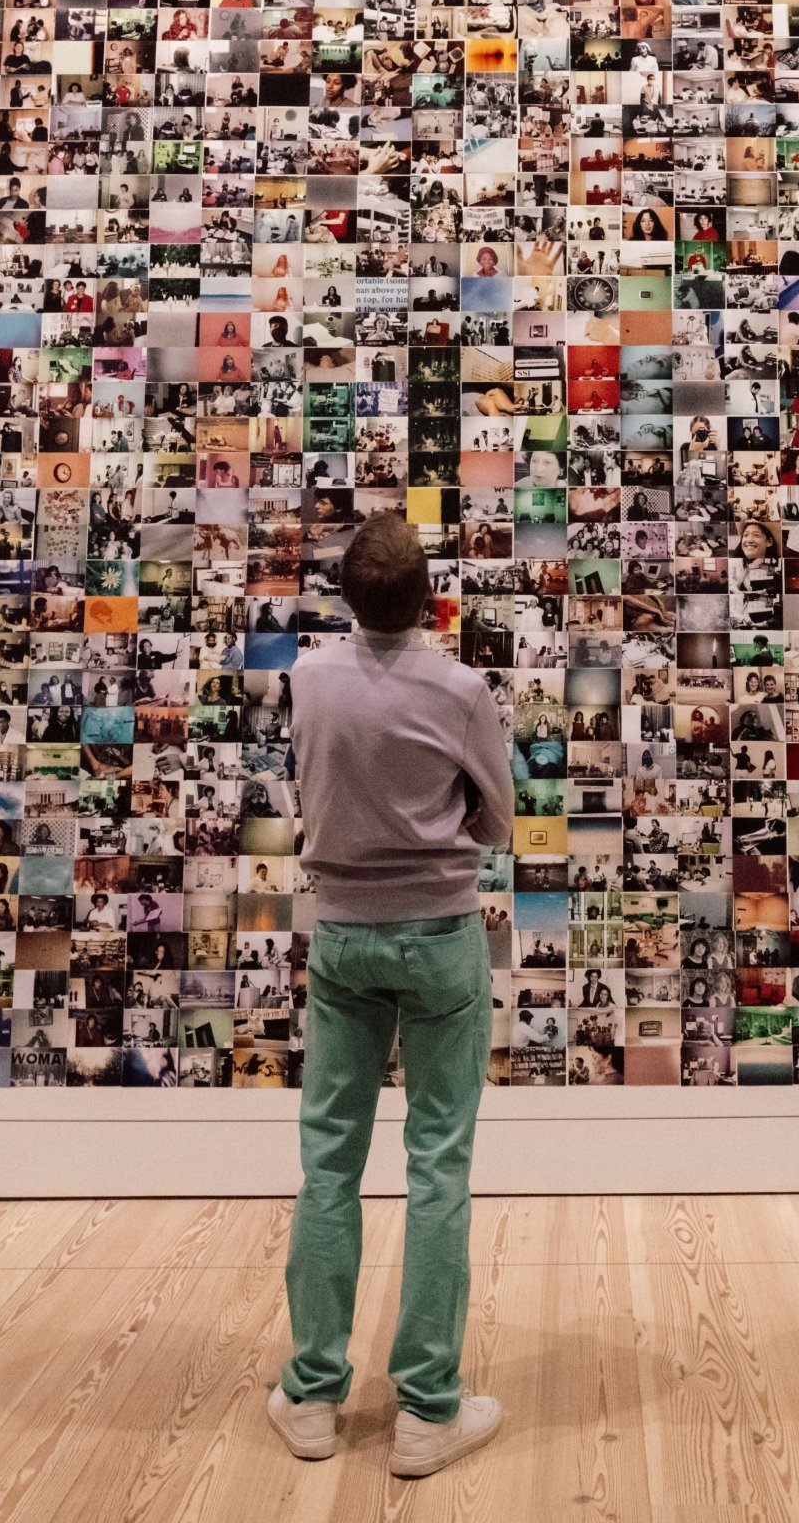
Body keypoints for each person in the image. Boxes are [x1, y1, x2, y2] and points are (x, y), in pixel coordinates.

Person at [264, 513, 514, 1479]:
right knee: (437, 1166)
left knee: (330, 1161)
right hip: (441, 936)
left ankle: (315, 1396)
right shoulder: (459, 690)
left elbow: (313, 787)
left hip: (342, 937)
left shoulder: (310, 680)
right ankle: (426, 1413)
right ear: (427, 598)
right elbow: (496, 821)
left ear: (346, 597)